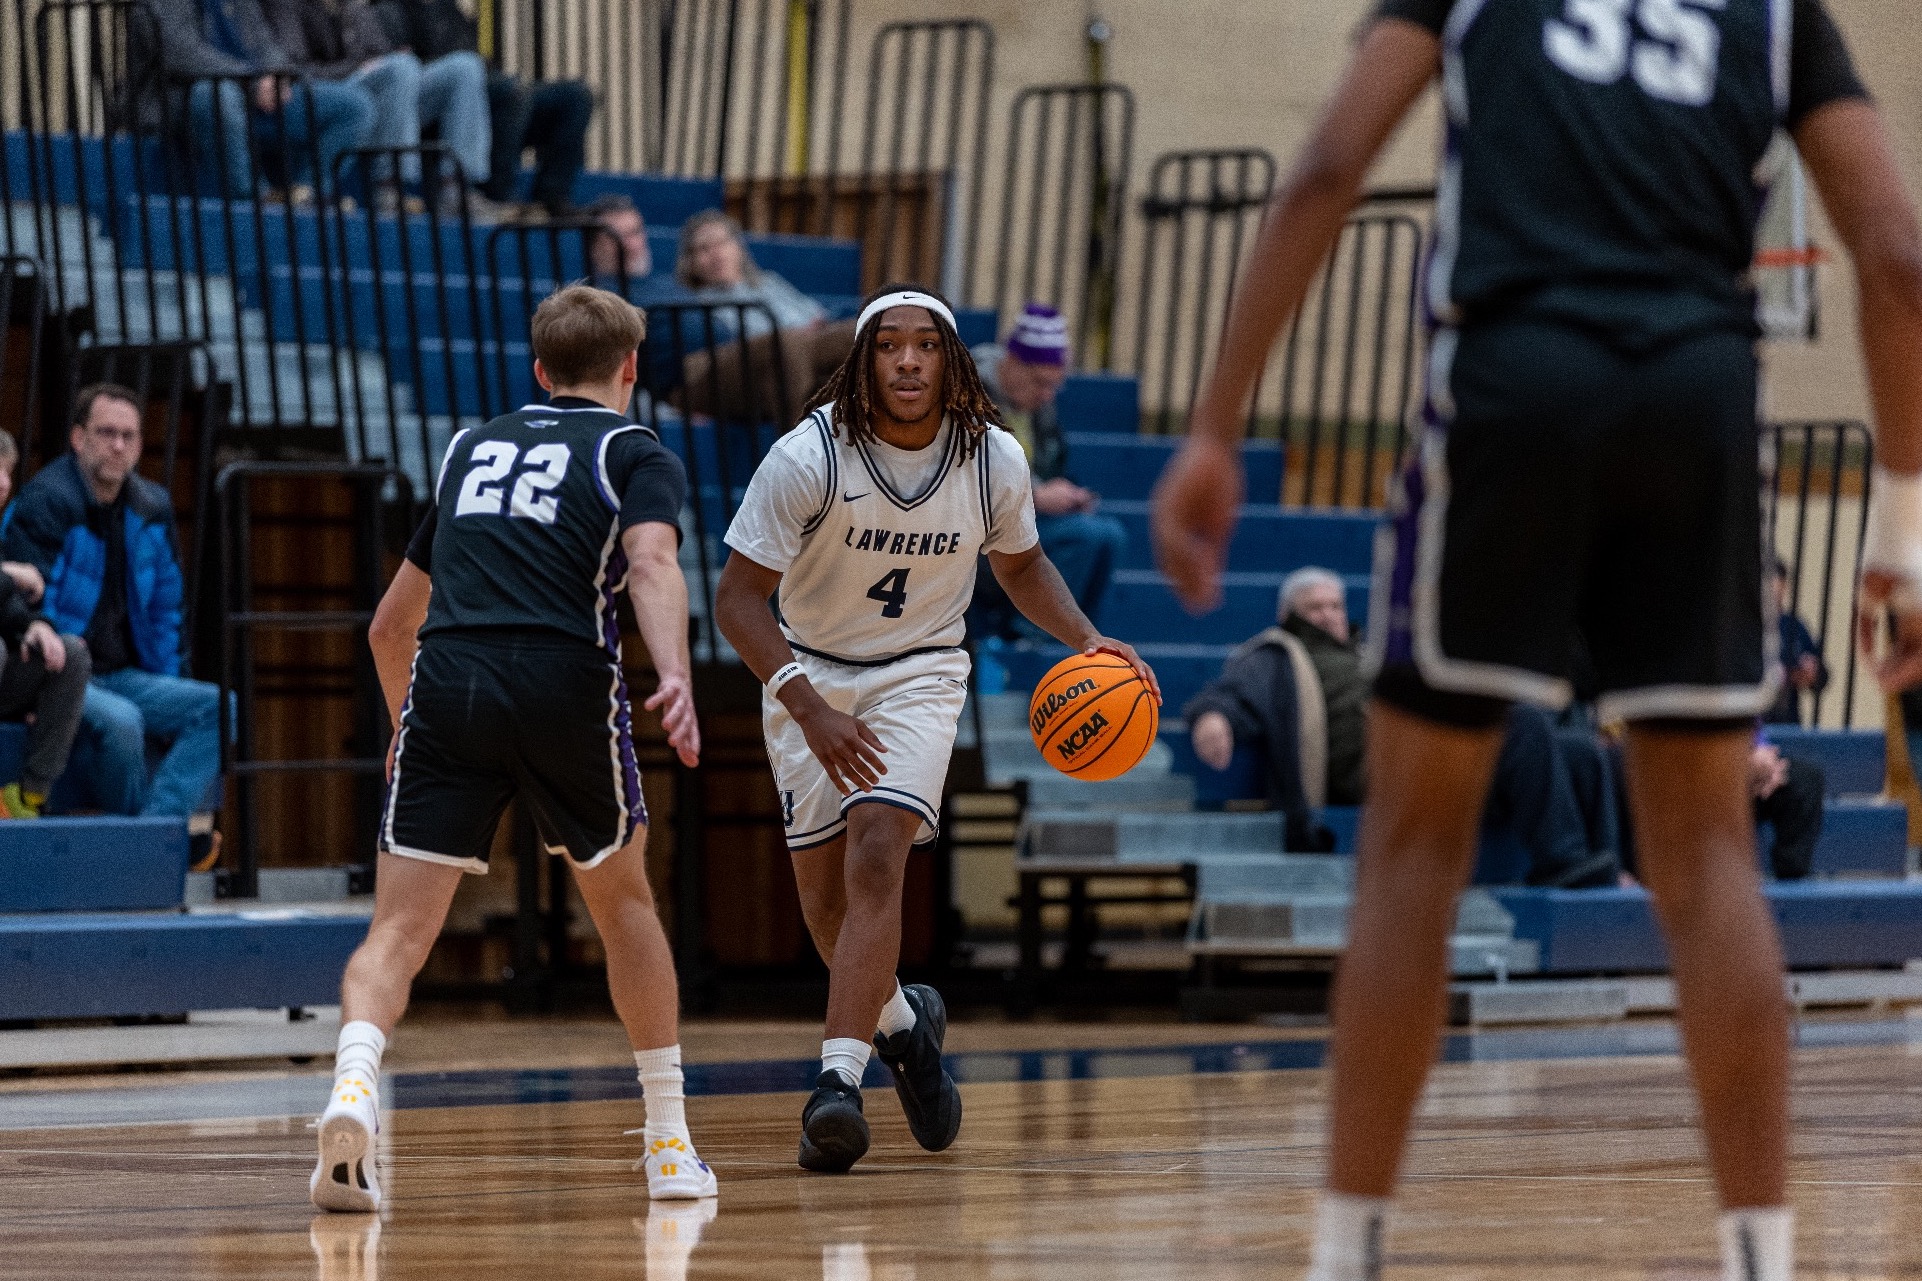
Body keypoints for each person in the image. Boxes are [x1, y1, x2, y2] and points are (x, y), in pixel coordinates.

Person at [1151, 4, 1922, 1279]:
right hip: (1694, 403)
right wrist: (1900, 528)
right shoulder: (1773, 11)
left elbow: (1327, 168)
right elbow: (1894, 253)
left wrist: (1215, 426)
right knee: (1706, 855)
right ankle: (1760, 1259)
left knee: (1411, 849)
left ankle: (1345, 1254)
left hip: (1508, 388)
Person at [714, 285, 1158, 1174]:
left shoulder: (993, 457)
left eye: (925, 344)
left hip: (919, 671)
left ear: (952, 362)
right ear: (864, 360)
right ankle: (905, 1029)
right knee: (825, 909)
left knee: (878, 850)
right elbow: (736, 600)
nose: (908, 360)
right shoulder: (809, 455)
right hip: (809, 672)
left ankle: (836, 1087)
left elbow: (1022, 566)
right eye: (889, 345)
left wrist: (1087, 639)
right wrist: (809, 707)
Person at [312, 284, 714, 1212]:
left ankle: (354, 1087)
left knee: (396, 931)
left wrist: (409, 723)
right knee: (624, 908)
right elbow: (652, 563)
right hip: (564, 679)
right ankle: (668, 1143)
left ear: (539, 370)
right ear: (630, 368)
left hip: (448, 680)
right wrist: (675, 675)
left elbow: (387, 627)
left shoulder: (468, 449)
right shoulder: (635, 450)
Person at [3, 386, 223, 853]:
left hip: (126, 675)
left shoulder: (152, 507)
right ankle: (156, 843)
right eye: (106, 433)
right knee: (124, 724)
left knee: (219, 708)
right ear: (78, 438)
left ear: (140, 444)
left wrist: (169, 683)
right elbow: (28, 602)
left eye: (129, 436)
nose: (118, 446)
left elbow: (166, 612)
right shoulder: (47, 499)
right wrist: (42, 681)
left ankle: (153, 833)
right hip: (65, 673)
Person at [970, 304, 1129, 639]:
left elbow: (1054, 466)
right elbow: (968, 471)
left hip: (1025, 521)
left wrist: (1069, 494)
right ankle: (1027, 638)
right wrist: (1038, 495)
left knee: (1109, 536)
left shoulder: (1038, 406)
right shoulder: (970, 395)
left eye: (1055, 386)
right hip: (980, 535)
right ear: (1012, 361)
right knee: (1084, 537)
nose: (1047, 395)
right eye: (1041, 383)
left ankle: (1082, 639)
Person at [261, 0, 499, 217]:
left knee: (465, 67)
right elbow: (294, 70)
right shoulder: (288, 5)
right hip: (334, 93)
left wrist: (381, 64)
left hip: (381, 92)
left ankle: (456, 188)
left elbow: (381, 53)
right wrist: (361, 68)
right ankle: (388, 187)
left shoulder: (353, 6)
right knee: (401, 68)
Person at [373, 0, 595, 218]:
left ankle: (552, 199)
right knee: (511, 92)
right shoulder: (387, 10)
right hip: (449, 107)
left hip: (483, 94)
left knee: (576, 96)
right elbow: (407, 81)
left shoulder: (449, 9)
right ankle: (499, 197)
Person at [149, 0, 375, 200]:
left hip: (254, 96)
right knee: (217, 94)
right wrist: (250, 81)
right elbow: (180, 53)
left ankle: (303, 196)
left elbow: (266, 42)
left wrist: (277, 76)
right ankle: (253, 200)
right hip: (190, 99)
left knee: (353, 107)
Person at [674, 210, 858, 419]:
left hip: (804, 347)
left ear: (738, 248)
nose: (716, 254)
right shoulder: (693, 302)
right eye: (704, 248)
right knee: (788, 345)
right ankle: (799, 436)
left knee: (854, 332)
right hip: (751, 366)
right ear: (690, 262)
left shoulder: (768, 282)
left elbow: (816, 315)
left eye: (721, 243)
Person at [1766, 556, 1829, 724]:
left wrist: (1813, 672)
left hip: (1789, 723)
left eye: (1779, 585)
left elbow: (1822, 674)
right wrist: (1784, 674)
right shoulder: (1748, 627)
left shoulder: (1794, 626)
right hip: (1755, 722)